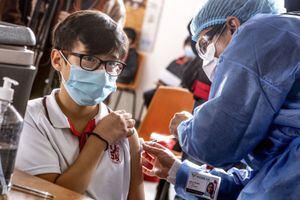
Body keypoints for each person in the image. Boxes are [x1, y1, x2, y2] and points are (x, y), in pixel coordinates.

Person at [142, 0, 300, 199]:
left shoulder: (261, 33)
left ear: (233, 26)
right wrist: (177, 172)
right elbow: (243, 185)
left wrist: (185, 128)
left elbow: (212, 143)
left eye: (204, 45)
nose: (207, 59)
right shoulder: (279, 131)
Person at [16, 10, 144, 200]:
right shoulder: (30, 118)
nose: (102, 72)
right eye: (90, 59)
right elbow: (54, 196)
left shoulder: (125, 131)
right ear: (58, 60)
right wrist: (100, 139)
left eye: (112, 63)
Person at [143, 36, 195, 107]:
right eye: (188, 45)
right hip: (163, 88)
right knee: (148, 94)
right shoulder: (175, 61)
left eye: (192, 47)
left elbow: (186, 85)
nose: (190, 49)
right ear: (184, 46)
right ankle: (152, 116)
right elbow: (164, 74)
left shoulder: (193, 66)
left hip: (177, 93)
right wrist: (160, 83)